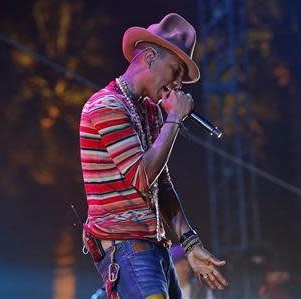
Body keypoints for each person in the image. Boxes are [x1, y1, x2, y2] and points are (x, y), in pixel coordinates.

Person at [79, 13, 228, 299]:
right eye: (176, 71)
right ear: (149, 57)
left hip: (153, 246)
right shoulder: (106, 105)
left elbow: (162, 185)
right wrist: (174, 119)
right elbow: (141, 176)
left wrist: (190, 243)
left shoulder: (150, 111)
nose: (178, 85)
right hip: (126, 247)